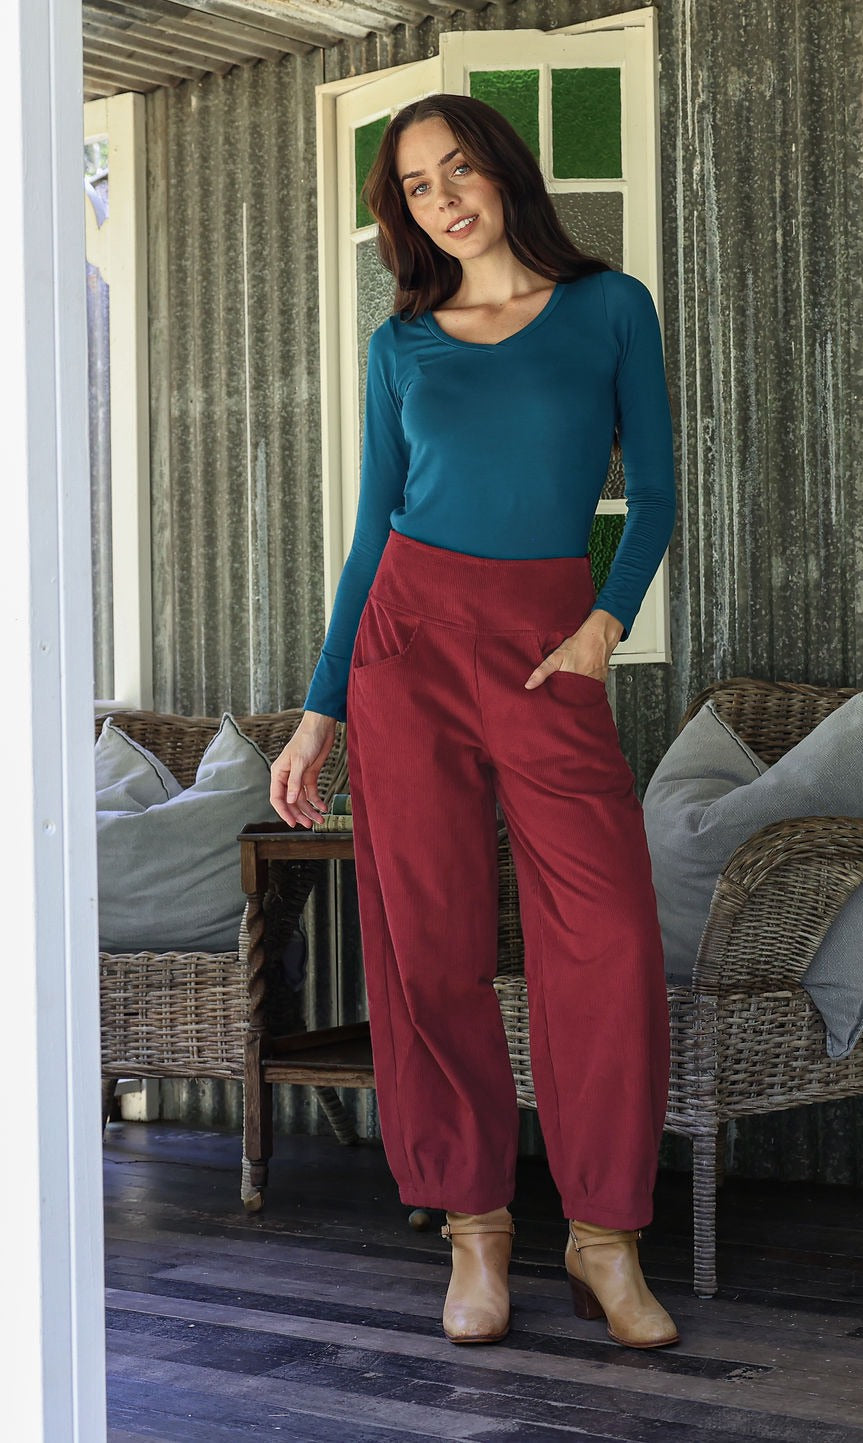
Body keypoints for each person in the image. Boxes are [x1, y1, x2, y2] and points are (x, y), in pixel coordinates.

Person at [270, 93, 678, 1350]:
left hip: (547, 649)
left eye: (460, 169)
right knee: (427, 940)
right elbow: (369, 535)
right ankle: (475, 1231)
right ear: (404, 211)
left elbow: (654, 488)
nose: (445, 196)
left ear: (502, 172)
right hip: (406, 645)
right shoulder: (402, 344)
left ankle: (605, 1239)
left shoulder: (611, 307)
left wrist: (605, 621)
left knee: (604, 937)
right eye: (416, 185)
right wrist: (318, 709)